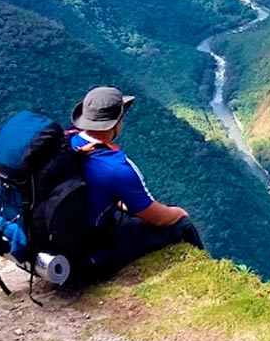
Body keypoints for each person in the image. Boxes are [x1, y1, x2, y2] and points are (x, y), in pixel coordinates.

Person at [69, 86, 203, 281]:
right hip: (90, 260)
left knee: (128, 214)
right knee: (183, 225)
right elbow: (158, 218)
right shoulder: (117, 167)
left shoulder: (69, 144)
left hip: (63, 244)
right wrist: (178, 212)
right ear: (116, 123)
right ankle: (203, 277)